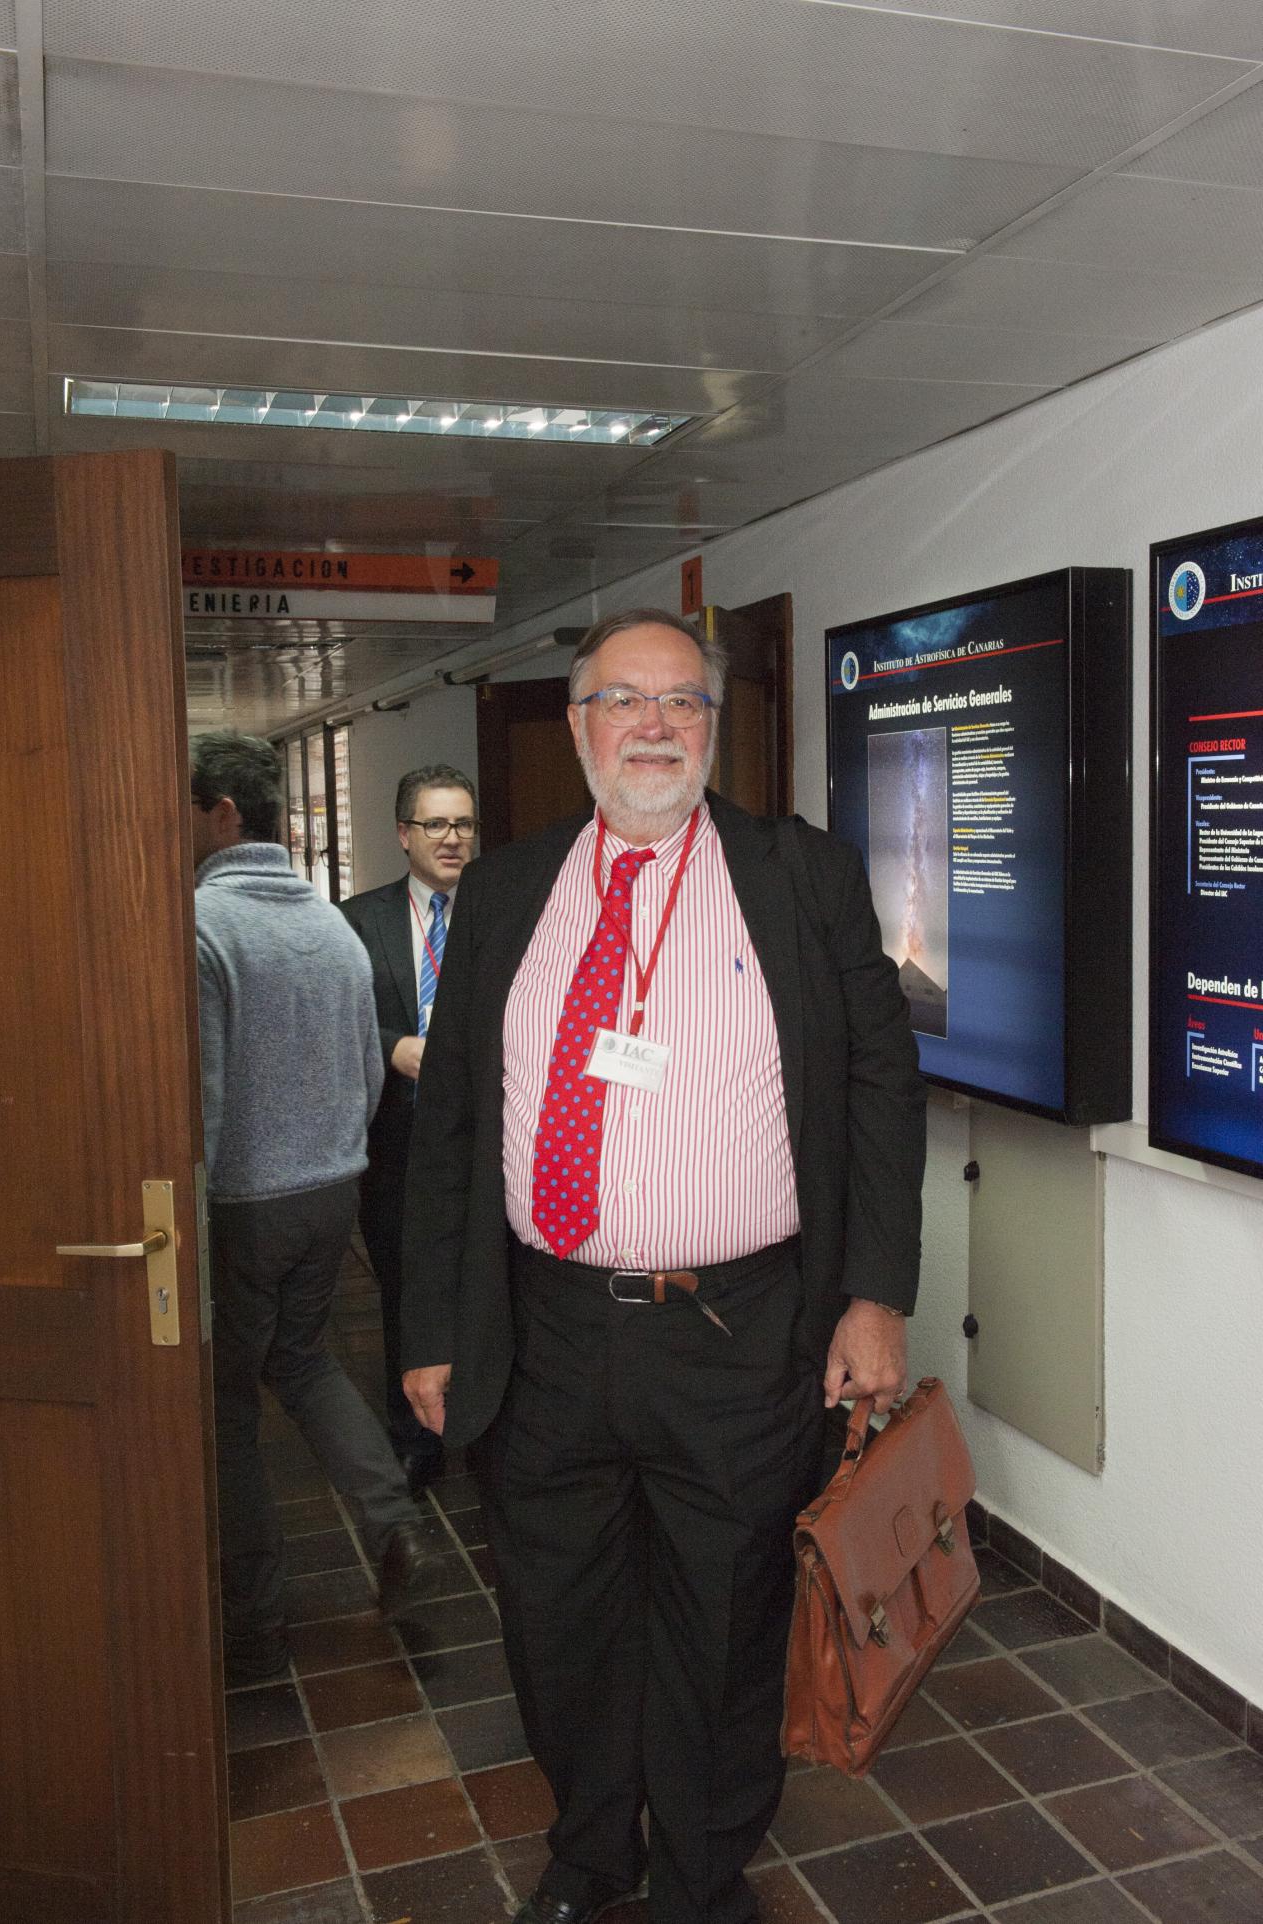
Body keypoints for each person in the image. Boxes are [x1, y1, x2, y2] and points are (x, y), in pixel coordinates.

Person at [400, 612, 927, 1924]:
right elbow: (454, 1120)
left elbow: (880, 1087)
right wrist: (429, 1324)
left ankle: (702, 1874)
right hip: (545, 1327)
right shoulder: (511, 891)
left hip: (743, 1330)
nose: (651, 726)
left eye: (680, 702)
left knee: (725, 1620)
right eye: (621, 702)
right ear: (577, 728)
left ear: (713, 726)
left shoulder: (797, 877)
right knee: (560, 1619)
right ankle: (589, 1859)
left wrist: (875, 1294)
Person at [191, 730, 441, 1689]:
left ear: (220, 815)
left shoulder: (205, 925)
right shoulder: (330, 926)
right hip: (331, 1191)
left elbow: (205, 1097)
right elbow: (364, 1070)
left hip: (243, 1201)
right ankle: (393, 1522)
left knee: (225, 1407)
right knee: (301, 1361)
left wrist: (195, 1226)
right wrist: (338, 1160)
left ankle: (252, 1621)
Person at [341, 765, 479, 1491]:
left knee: (485, 1289)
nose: (453, 839)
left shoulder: (502, 911)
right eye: (437, 824)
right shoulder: (357, 921)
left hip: (485, 1147)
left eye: (463, 824)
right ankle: (414, 1441)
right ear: (404, 834)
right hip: (397, 1146)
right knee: (404, 1292)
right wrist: (393, 1045)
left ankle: (485, 1429)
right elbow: (338, 1026)